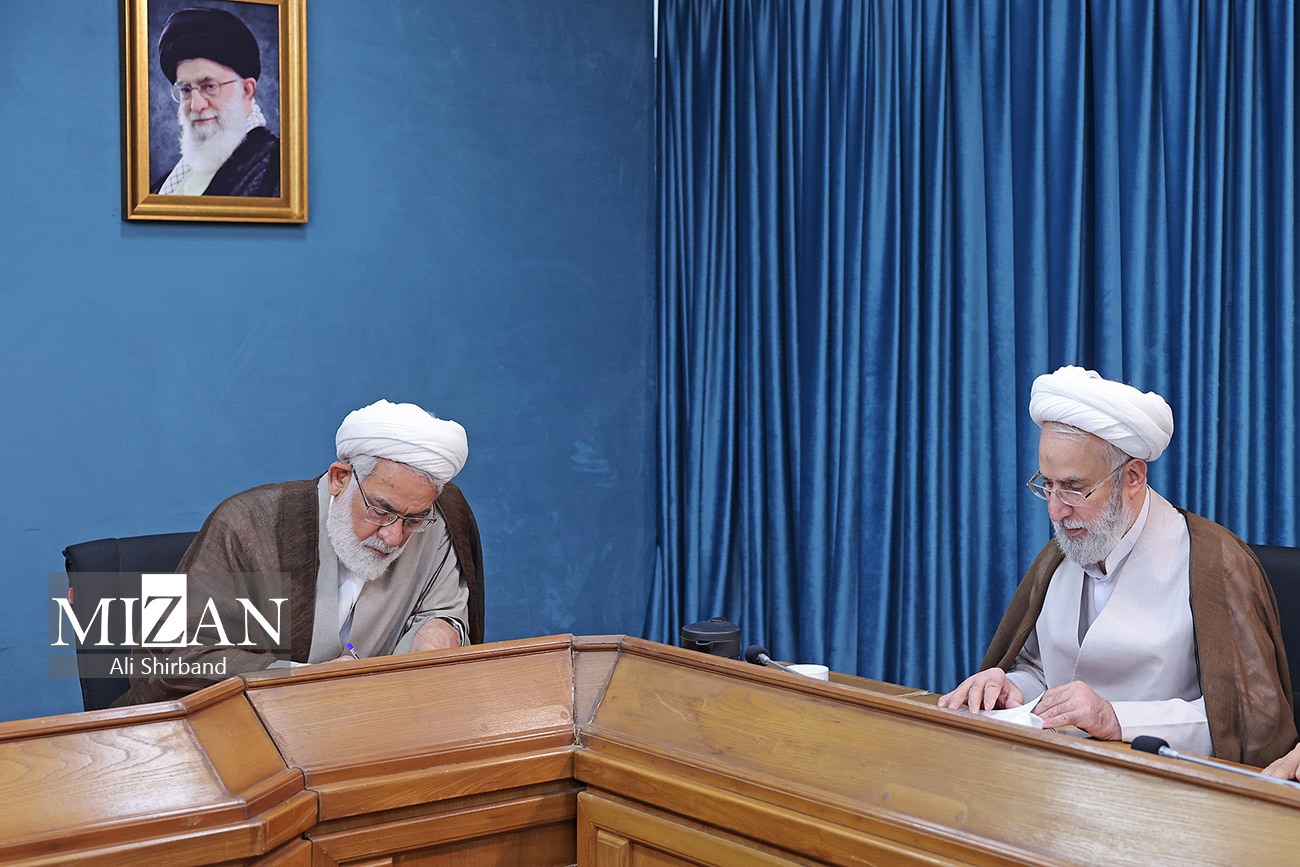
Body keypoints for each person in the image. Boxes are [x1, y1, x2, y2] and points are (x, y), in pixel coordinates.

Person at [938, 366, 1295, 768]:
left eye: (1074, 489)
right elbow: (1040, 670)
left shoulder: (1213, 563)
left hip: (1163, 784)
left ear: (1133, 477)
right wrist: (1010, 687)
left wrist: (1115, 718)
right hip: (1054, 769)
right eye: (1047, 485)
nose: (1055, 511)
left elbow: (1244, 721)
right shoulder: (1060, 554)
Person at [114, 399, 484, 705]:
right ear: (340, 478)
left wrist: (438, 631)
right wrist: (309, 680)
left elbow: (443, 612)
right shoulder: (248, 525)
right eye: (380, 511)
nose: (393, 536)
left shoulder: (441, 517)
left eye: (412, 520)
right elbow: (176, 659)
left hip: (376, 726)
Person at [152, 6, 280, 196]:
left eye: (209, 86)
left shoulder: (276, 168)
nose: (196, 105)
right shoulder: (166, 182)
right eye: (186, 89)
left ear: (246, 90)